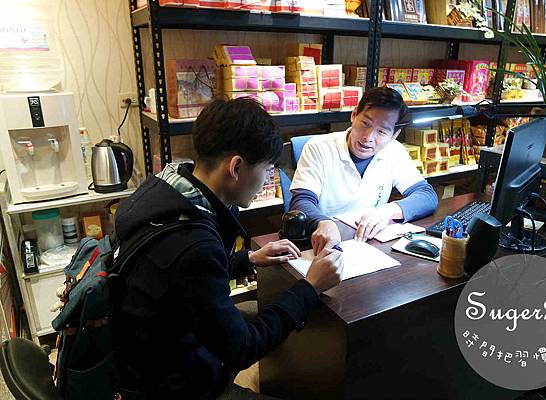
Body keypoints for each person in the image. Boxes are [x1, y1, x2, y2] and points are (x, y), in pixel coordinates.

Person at [113, 98, 343, 399]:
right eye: (267, 169)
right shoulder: (194, 243)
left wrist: (249, 258)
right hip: (167, 383)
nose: (267, 180)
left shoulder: (166, 187)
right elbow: (243, 347)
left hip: (143, 352)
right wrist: (310, 287)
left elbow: (180, 280)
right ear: (236, 167)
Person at [290, 87, 438, 254]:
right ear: (354, 115)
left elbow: (427, 196)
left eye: (381, 131)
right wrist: (322, 222)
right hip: (325, 242)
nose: (368, 137)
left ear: (395, 134)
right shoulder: (319, 147)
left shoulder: (394, 151)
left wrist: (388, 211)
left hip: (369, 243)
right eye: (365, 123)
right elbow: (301, 201)